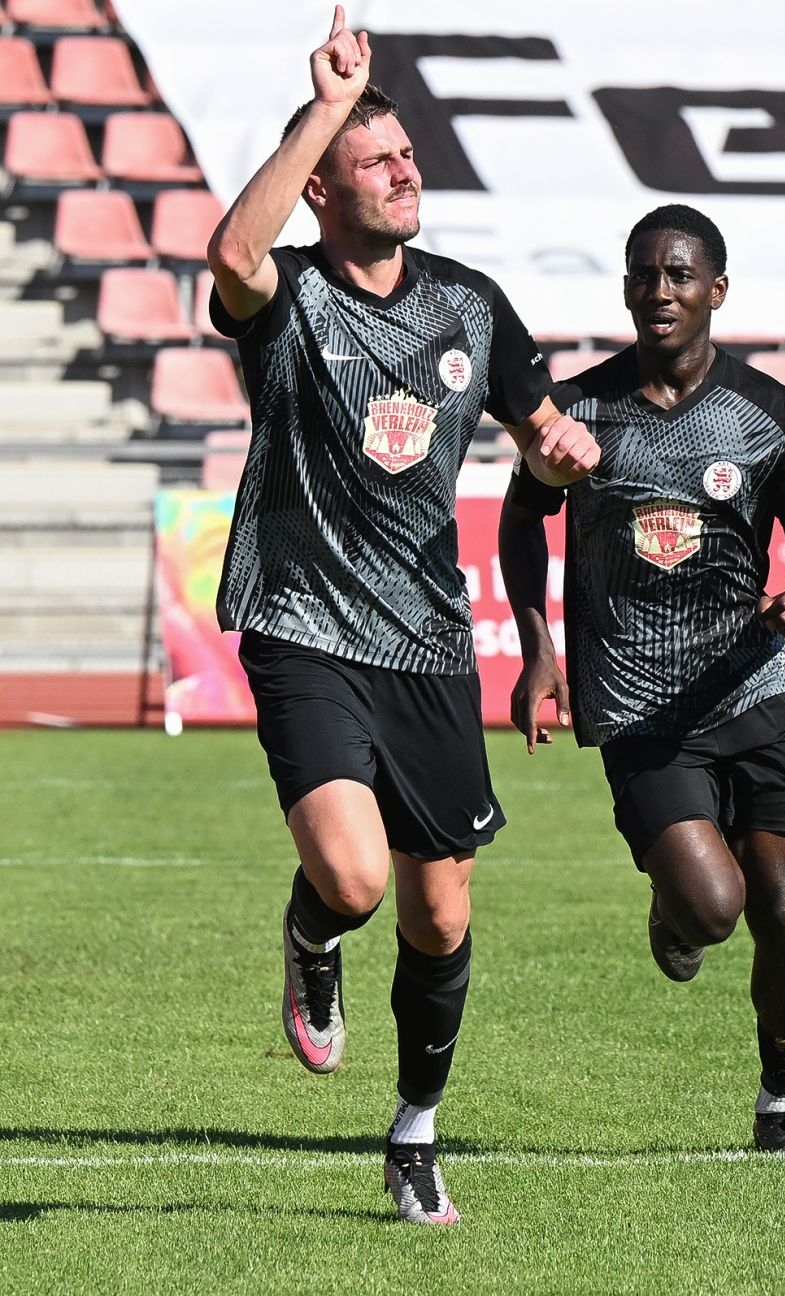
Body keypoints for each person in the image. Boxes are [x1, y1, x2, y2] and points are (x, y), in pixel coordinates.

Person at [204, 7, 598, 1224]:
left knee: (441, 913)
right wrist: (328, 103)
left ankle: (414, 1133)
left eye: (407, 154)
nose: (403, 171)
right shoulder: (287, 298)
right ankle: (312, 935)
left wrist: (560, 455)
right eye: (374, 161)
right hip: (303, 622)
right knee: (355, 877)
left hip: (428, 641)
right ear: (321, 189)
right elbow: (231, 252)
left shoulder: (472, 306)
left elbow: (543, 437)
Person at [498, 204, 785, 1155]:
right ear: (625, 288)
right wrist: (538, 650)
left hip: (753, 690)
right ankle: (678, 907)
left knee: (782, 907)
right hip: (638, 703)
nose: (660, 290)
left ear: (716, 290)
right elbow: (520, 520)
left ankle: (782, 1106)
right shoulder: (575, 412)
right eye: (644, 274)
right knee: (715, 907)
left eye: (680, 275)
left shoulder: (772, 415)